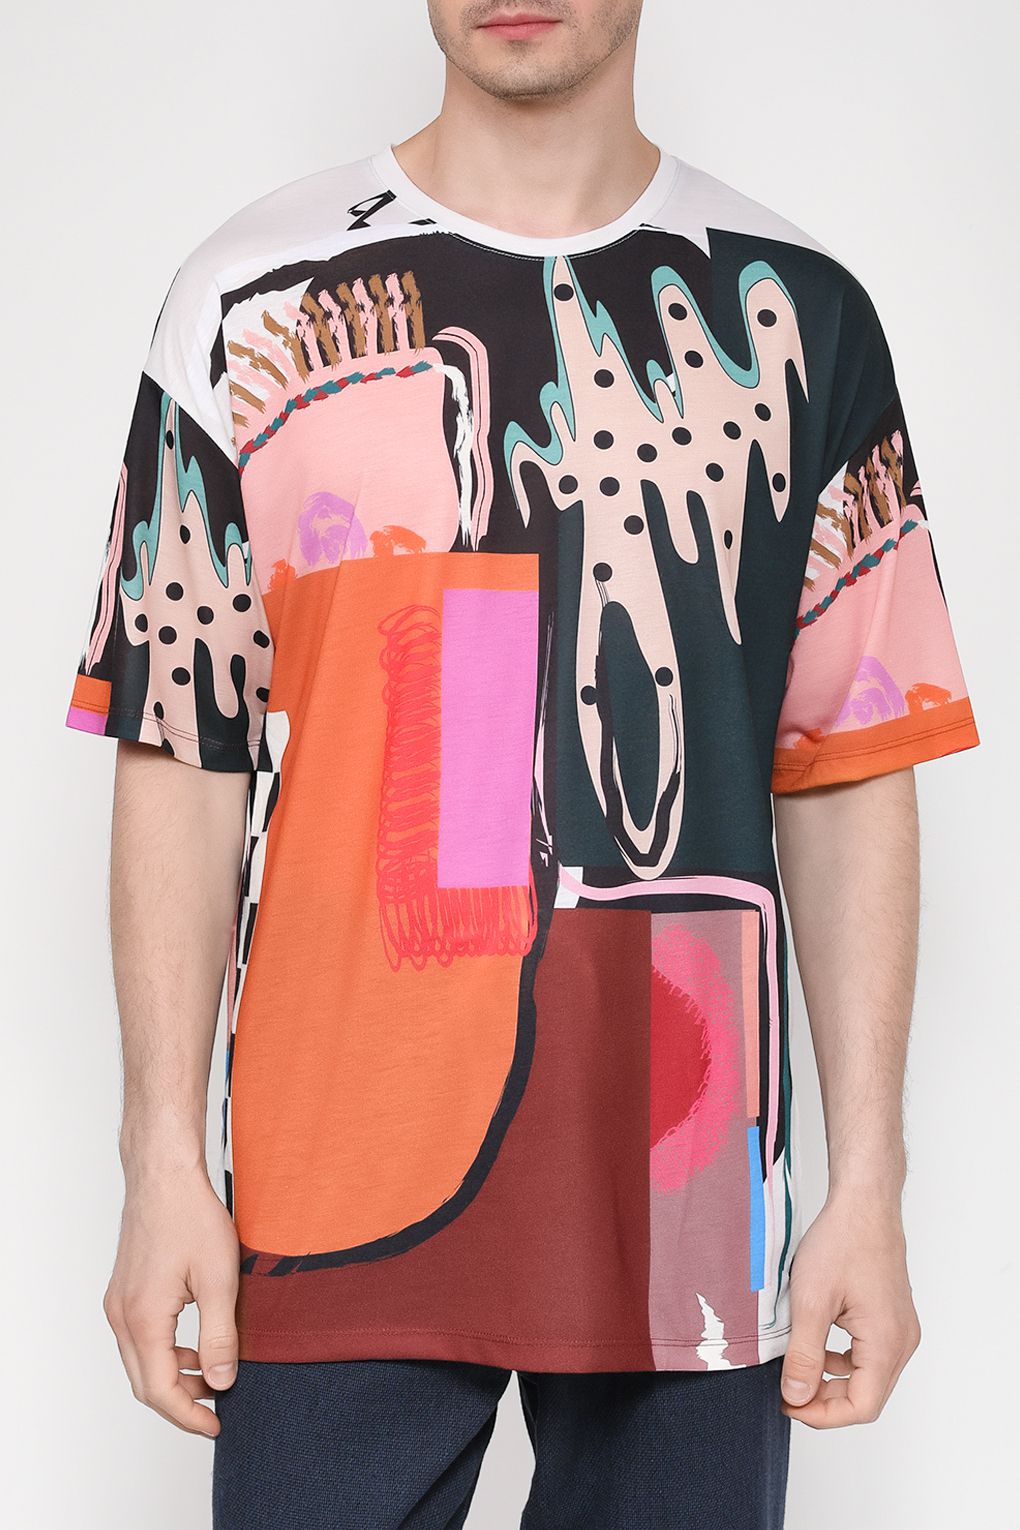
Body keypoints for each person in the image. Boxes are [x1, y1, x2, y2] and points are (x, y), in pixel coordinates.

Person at [64, 2, 982, 1526]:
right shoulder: (244, 299)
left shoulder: (802, 312)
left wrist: (869, 1182)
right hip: (332, 1171)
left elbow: (846, 758)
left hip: (688, 1178)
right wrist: (160, 1156)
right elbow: (183, 741)